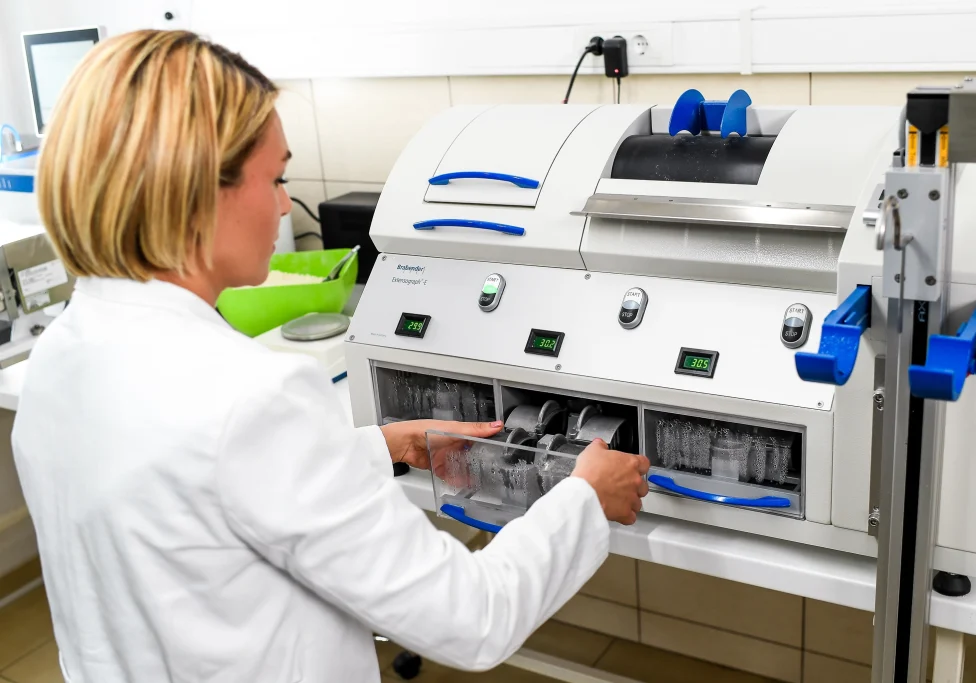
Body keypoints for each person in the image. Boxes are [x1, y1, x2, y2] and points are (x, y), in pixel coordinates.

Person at [11, 29, 650, 682]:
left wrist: (379, 447)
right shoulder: (254, 397)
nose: (283, 204)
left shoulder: (64, 353)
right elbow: (474, 616)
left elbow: (205, 494)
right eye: (275, 178)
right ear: (196, 191)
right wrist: (584, 497)